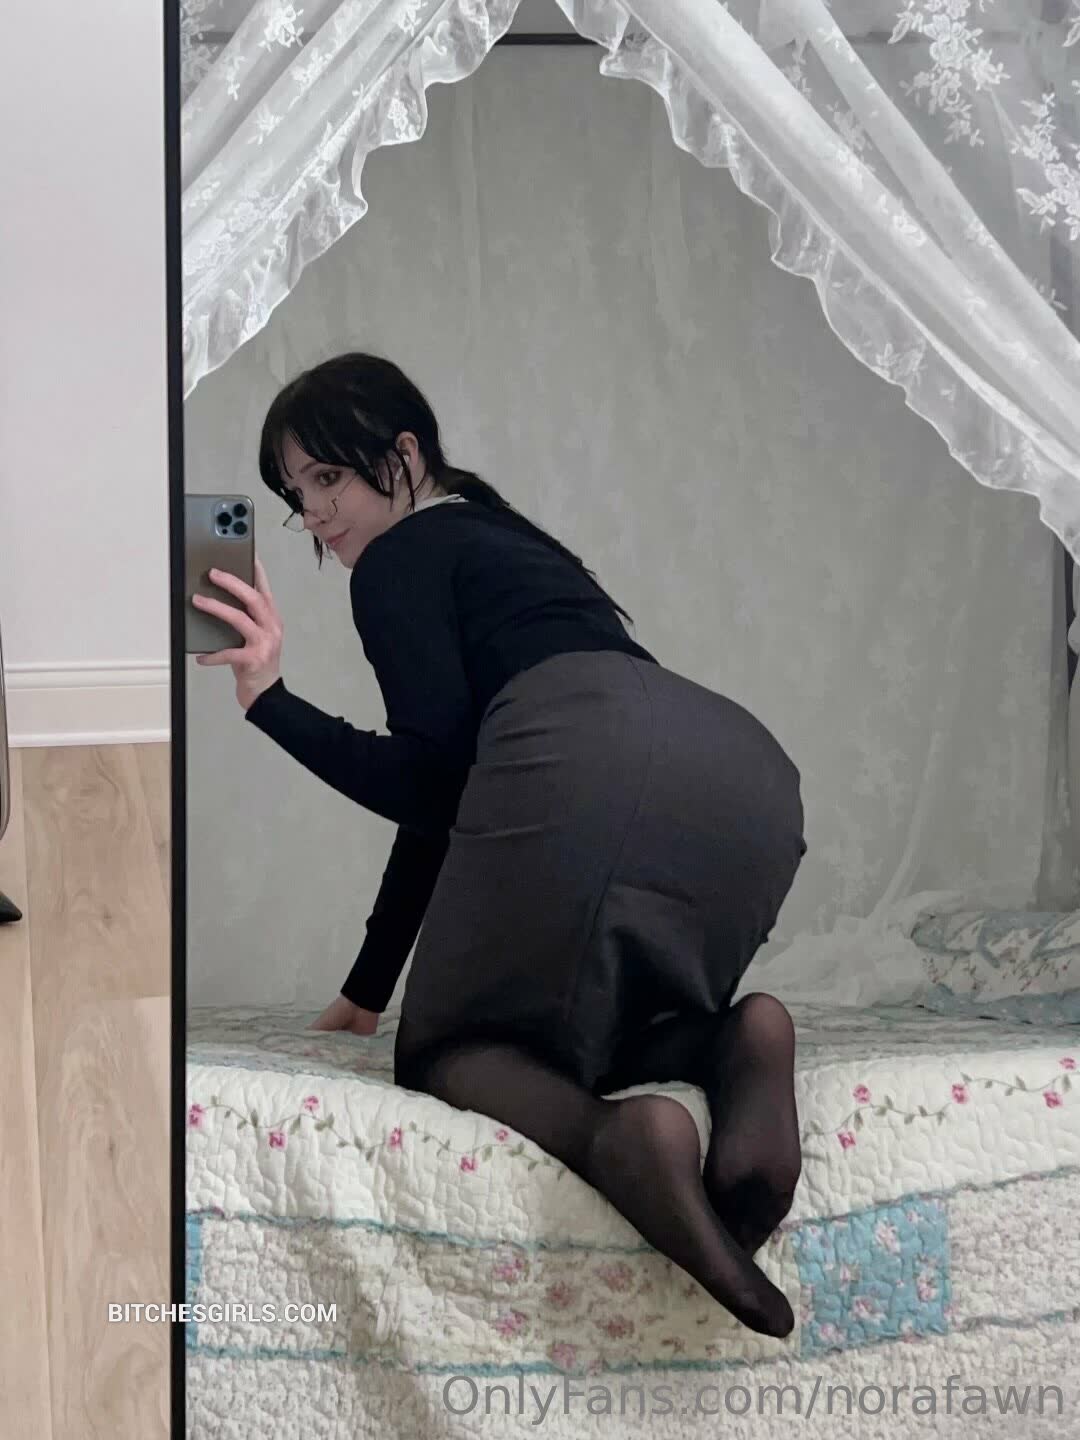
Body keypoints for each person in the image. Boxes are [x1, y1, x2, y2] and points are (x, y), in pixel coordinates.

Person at [192, 352, 808, 1339]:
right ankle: (734, 1039)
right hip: (738, 774)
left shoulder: (398, 560)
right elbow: (461, 801)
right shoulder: (503, 539)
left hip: (586, 752)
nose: (313, 513)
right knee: (571, 1035)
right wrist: (367, 988)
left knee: (450, 1051)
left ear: (404, 454)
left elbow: (430, 785)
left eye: (329, 476)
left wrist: (268, 699)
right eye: (295, 493)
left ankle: (621, 1140)